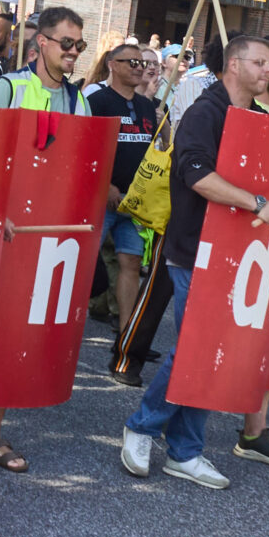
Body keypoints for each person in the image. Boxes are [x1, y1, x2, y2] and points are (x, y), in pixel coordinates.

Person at [119, 32, 269, 488]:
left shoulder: (253, 115)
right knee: (197, 350)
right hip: (194, 250)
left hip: (234, 252)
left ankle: (184, 451)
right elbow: (195, 173)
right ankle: (142, 426)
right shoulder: (206, 111)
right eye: (261, 62)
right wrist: (256, 202)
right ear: (234, 66)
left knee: (209, 353)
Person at [0, 5, 103, 473]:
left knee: (10, 326)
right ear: (40, 42)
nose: (74, 53)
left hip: (40, 233)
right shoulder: (8, 87)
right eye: (67, 43)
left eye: (80, 45)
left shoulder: (79, 100)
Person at [89, 43, 162, 346]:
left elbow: (152, 150)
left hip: (134, 203)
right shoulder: (98, 100)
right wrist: (104, 184)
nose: (138, 67)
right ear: (111, 63)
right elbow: (87, 147)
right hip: (102, 199)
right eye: (130, 62)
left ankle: (125, 332)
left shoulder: (147, 106)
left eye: (141, 63)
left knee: (131, 263)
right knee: (85, 263)